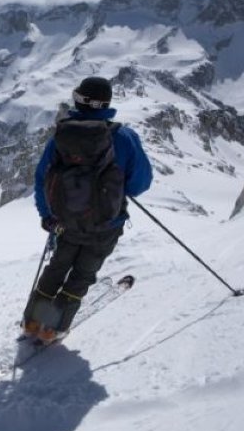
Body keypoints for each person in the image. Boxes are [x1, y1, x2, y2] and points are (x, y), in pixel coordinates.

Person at [24, 76, 153, 343]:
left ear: (78, 100)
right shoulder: (124, 138)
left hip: (65, 223)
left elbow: (42, 179)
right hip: (105, 225)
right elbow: (139, 184)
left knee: (56, 268)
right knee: (81, 275)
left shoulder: (61, 136)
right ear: (106, 104)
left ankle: (32, 322)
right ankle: (52, 328)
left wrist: (47, 216)